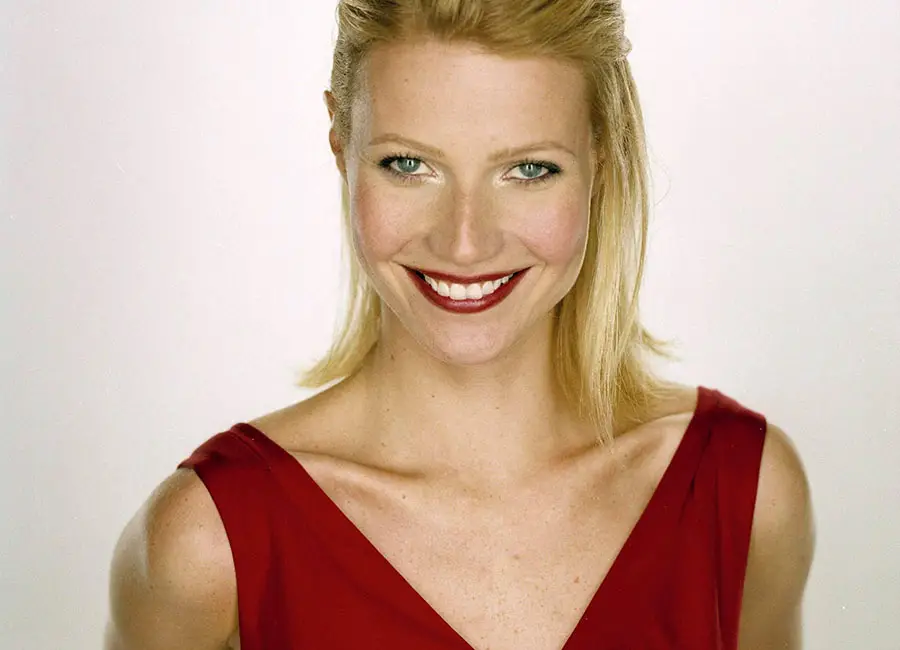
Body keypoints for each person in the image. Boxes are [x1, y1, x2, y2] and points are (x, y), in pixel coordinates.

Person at [104, 1, 815, 648]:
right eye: (408, 164)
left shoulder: (743, 493)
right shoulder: (208, 545)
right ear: (340, 144)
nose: (465, 243)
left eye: (529, 170)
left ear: (602, 155)